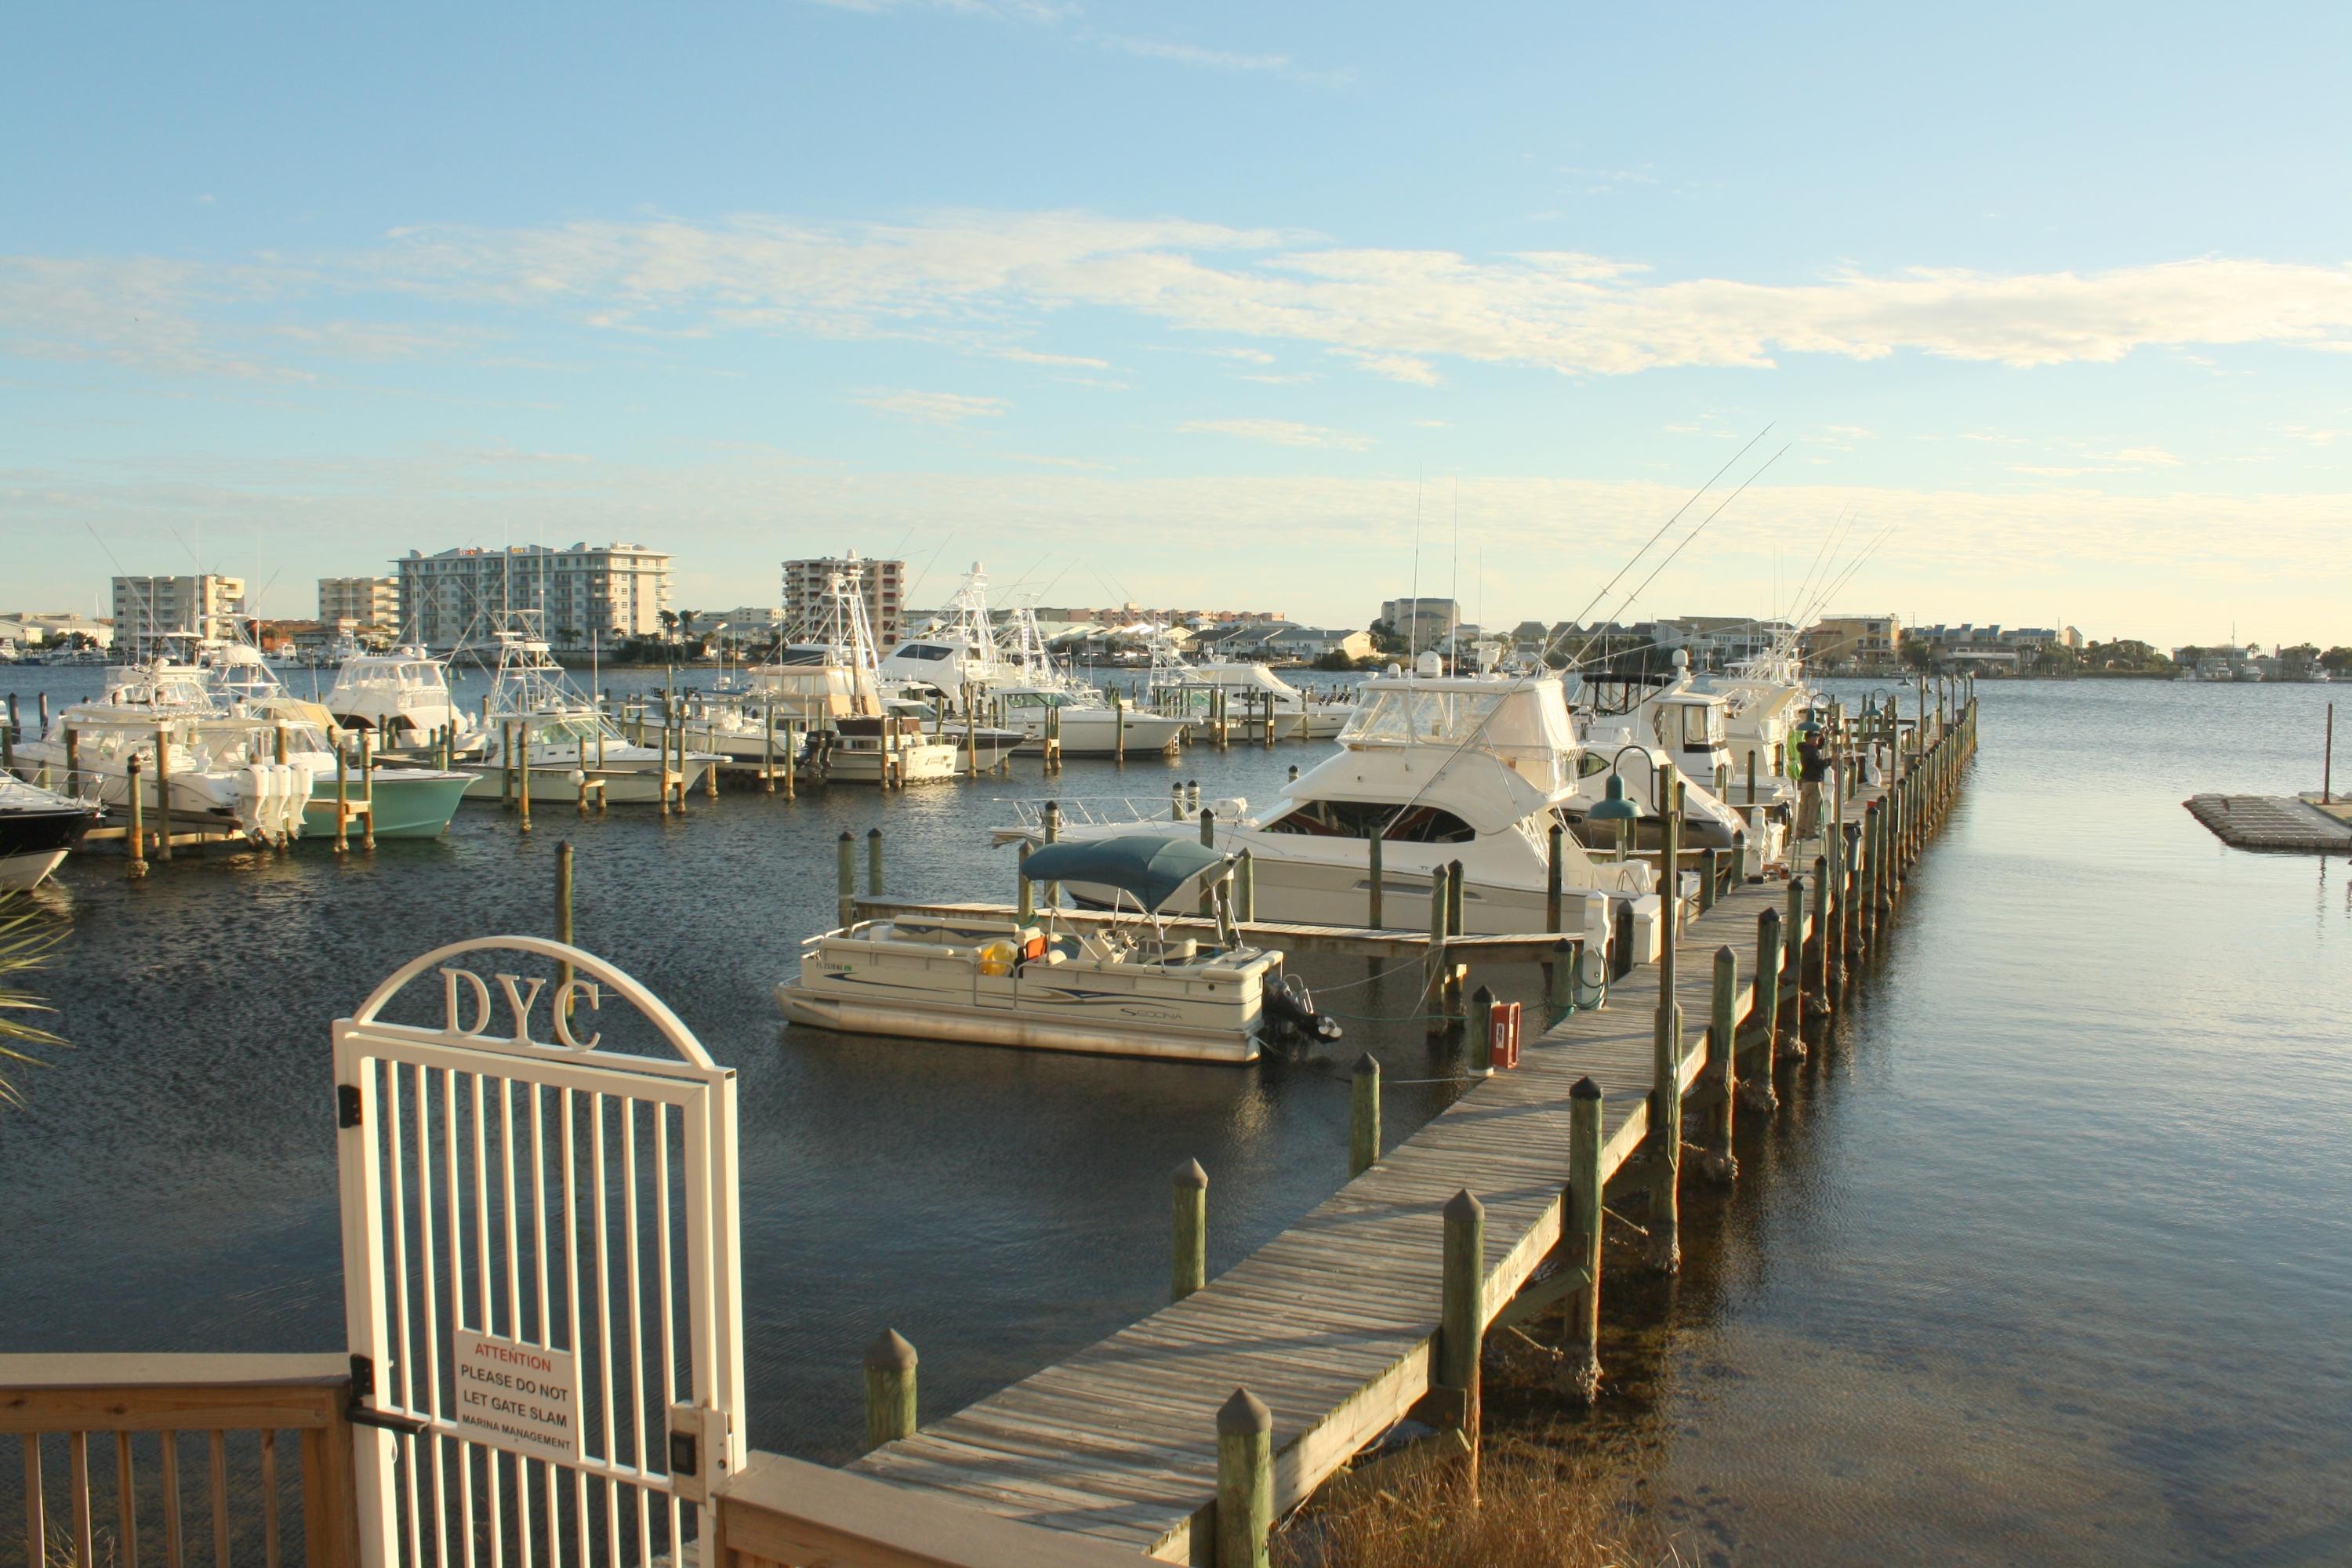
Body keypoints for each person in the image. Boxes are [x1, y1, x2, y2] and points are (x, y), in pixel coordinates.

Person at [1795, 724, 1831, 843]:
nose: (1817, 739)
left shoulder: (1805, 748)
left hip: (1806, 782)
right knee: (1813, 807)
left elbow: (1820, 746)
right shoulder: (1812, 751)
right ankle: (1810, 832)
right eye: (1815, 737)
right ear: (1810, 739)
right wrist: (1831, 760)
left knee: (1804, 806)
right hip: (1814, 781)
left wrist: (1822, 736)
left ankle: (1800, 831)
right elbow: (1820, 764)